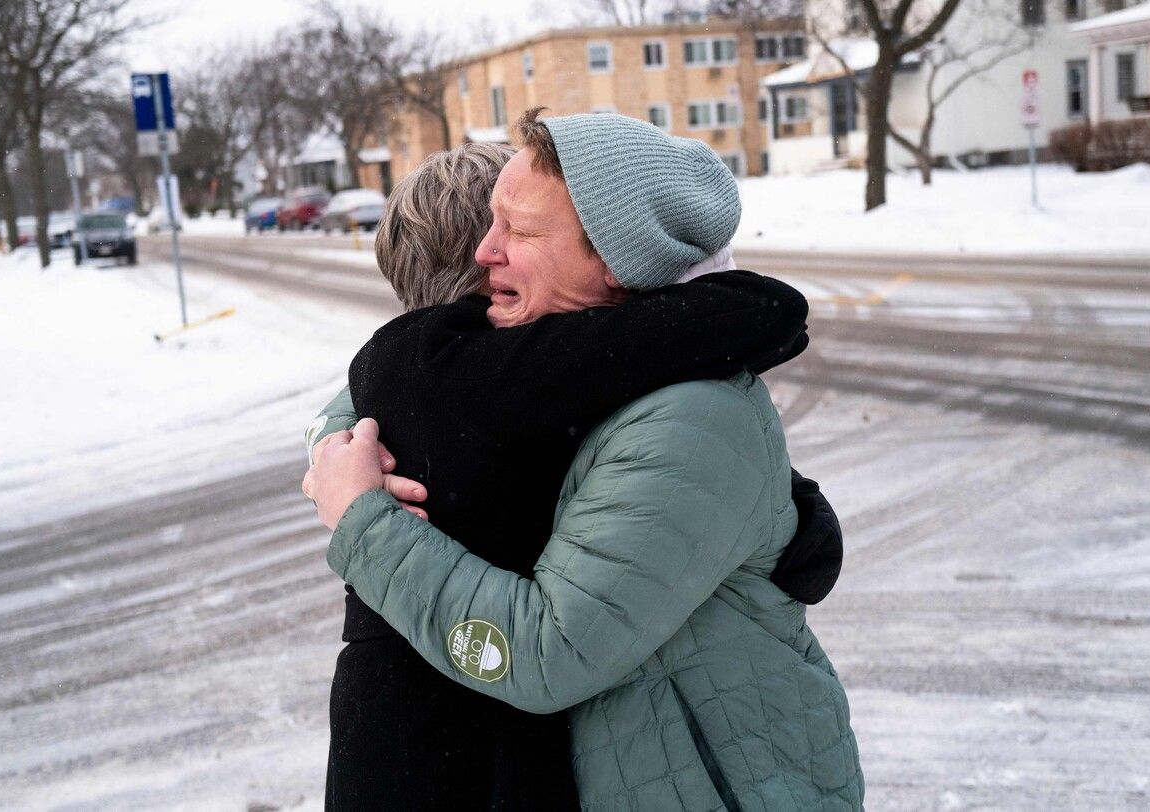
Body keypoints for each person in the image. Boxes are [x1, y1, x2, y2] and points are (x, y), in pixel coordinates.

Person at [309, 109, 861, 810]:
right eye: (489, 224)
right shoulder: (536, 373)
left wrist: (360, 514)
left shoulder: (680, 409)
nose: (487, 252)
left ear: (615, 258)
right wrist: (337, 449)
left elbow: (546, 652)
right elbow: (409, 371)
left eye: (521, 230)